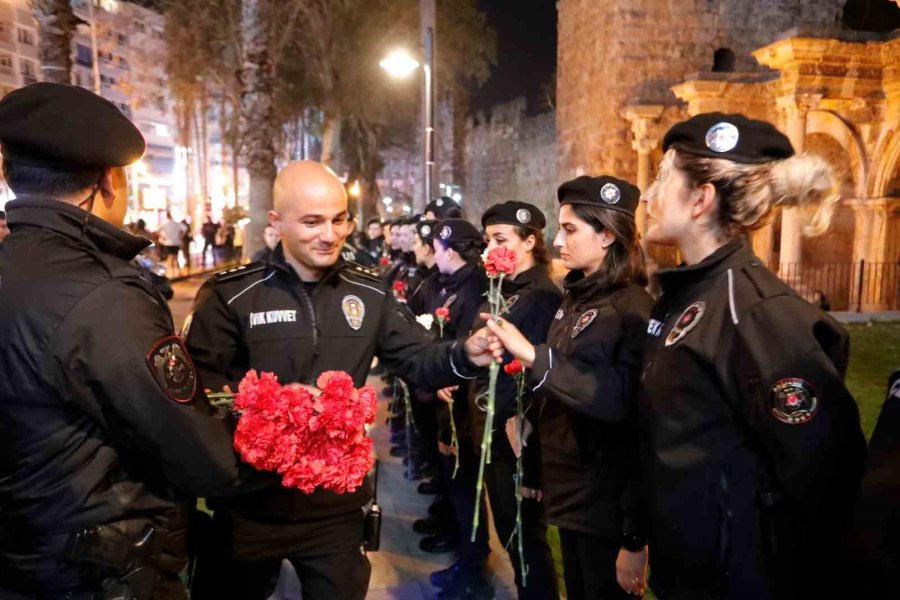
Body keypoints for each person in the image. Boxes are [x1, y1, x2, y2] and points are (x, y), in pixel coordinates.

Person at [182, 161, 495, 600]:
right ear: (278, 223)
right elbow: (194, 395)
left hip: (337, 508)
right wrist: (270, 405)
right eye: (312, 222)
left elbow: (418, 358)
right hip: (249, 505)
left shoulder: (369, 291)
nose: (330, 234)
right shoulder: (231, 294)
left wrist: (466, 354)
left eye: (339, 219)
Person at [0, 82, 242, 600]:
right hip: (97, 569)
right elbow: (197, 452)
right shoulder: (108, 295)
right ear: (109, 181)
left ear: (7, 174)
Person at [638, 112, 866, 599]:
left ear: (701, 199)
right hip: (685, 570)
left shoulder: (756, 313)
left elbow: (828, 476)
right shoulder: (684, 295)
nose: (646, 195)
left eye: (661, 179)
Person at [485, 179, 653, 599]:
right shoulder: (575, 298)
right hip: (573, 496)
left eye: (571, 229)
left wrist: (633, 538)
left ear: (608, 234)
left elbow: (626, 411)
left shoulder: (631, 308)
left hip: (605, 505)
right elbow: (563, 387)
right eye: (560, 228)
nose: (558, 240)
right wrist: (528, 423)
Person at [447, 201, 562, 600]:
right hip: (490, 427)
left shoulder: (543, 296)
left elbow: (541, 373)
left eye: (501, 240)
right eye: (487, 241)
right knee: (510, 535)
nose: (489, 249)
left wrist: (530, 461)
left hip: (518, 435)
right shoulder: (498, 288)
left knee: (525, 538)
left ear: (530, 241)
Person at [419, 219, 491, 586]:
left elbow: (471, 343)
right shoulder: (451, 285)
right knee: (454, 482)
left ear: (450, 251)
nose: (434, 255)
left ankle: (474, 566)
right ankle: (464, 549)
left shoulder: (475, 288)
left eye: (437, 249)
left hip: (463, 405)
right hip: (446, 396)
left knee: (465, 487)